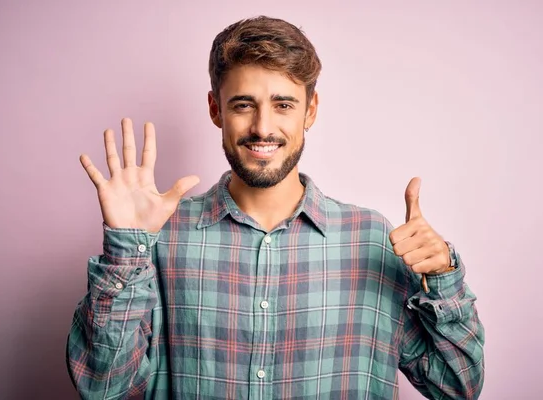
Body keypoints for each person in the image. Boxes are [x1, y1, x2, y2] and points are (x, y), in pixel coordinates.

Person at [66, 15, 485, 400]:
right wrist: (127, 251)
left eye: (283, 104)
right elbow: (103, 389)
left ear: (311, 111)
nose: (263, 127)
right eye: (243, 104)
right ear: (216, 110)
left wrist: (443, 277)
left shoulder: (373, 239)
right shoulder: (160, 238)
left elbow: (457, 386)